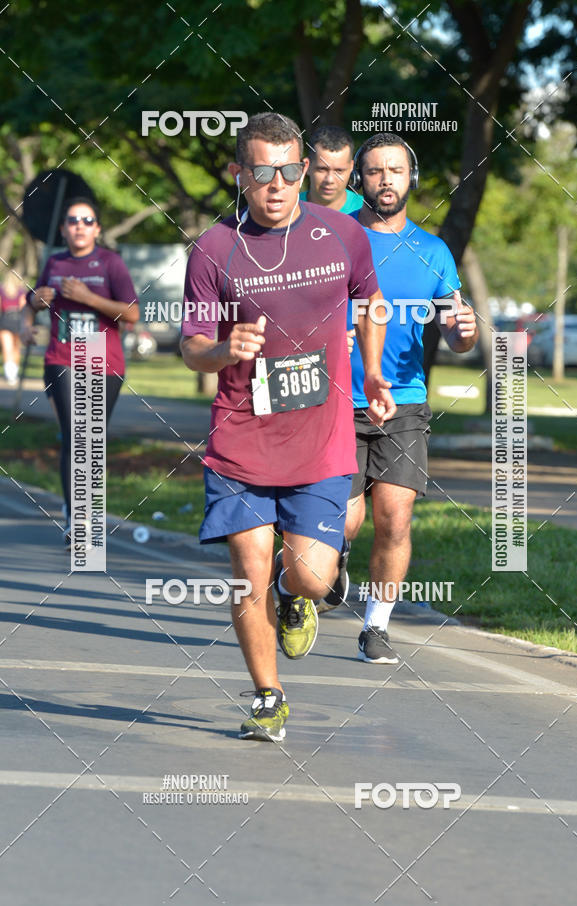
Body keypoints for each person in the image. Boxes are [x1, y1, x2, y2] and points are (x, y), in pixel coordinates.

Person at [180, 112, 395, 742]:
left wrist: (374, 371)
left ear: (304, 170)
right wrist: (224, 350)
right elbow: (192, 346)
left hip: (321, 439)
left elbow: (368, 304)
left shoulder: (341, 234)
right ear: (239, 173)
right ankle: (268, 696)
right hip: (241, 439)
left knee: (312, 576)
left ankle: (297, 591)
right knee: (247, 574)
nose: (277, 185)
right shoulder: (213, 249)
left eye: (290, 170)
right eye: (262, 171)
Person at [334, 133, 478, 664]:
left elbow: (458, 335)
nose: (386, 179)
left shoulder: (433, 252)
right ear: (360, 180)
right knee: (343, 521)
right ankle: (327, 569)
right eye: (374, 171)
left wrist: (464, 332)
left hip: (404, 402)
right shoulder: (336, 241)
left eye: (396, 170)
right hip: (336, 400)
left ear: (411, 179)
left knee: (395, 518)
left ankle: (376, 626)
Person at [22, 197, 139, 544]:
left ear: (97, 228)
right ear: (63, 229)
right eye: (73, 220)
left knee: (91, 441)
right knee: (77, 437)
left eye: (88, 220)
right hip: (63, 357)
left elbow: (131, 314)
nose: (80, 226)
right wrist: (32, 310)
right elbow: (34, 302)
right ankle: (79, 517)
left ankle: (82, 509)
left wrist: (89, 298)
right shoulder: (54, 262)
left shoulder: (110, 263)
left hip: (104, 360)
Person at [300, 125, 363, 214]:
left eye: (339, 171)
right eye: (322, 169)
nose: (329, 180)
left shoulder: (367, 211)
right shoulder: (288, 209)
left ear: (351, 167)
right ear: (307, 166)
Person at [0, 270, 27, 385]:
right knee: (16, 348)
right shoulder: (21, 291)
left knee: (7, 348)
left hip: (5, 320)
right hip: (17, 321)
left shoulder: (2, 290)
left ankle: (9, 374)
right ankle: (14, 374)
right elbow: (23, 307)